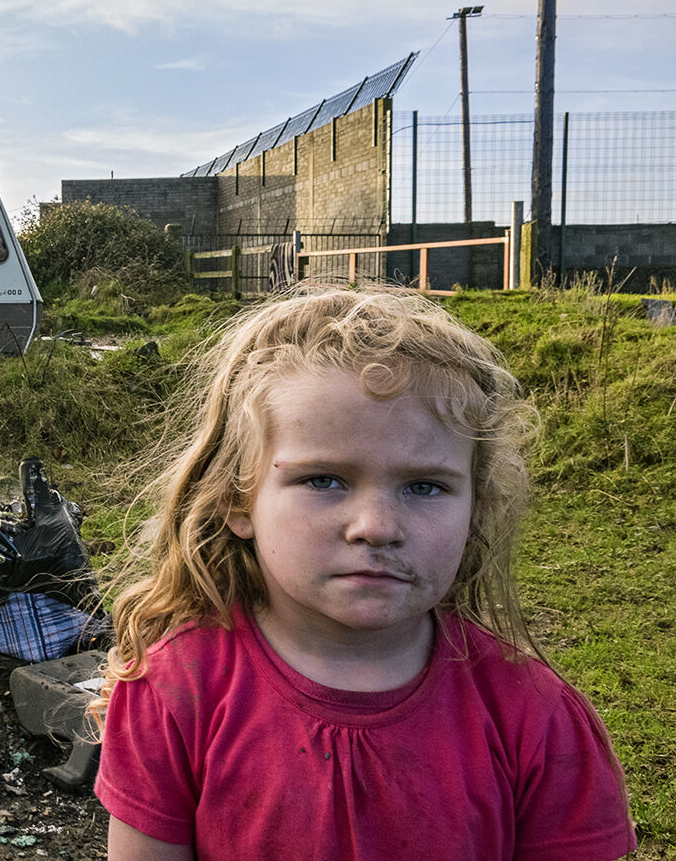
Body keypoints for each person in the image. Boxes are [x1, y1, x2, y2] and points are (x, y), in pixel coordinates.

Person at [94, 286, 636, 861]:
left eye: (424, 486)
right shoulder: (176, 688)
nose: (376, 527)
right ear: (237, 499)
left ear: (476, 508)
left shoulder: (537, 718)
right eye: (324, 480)